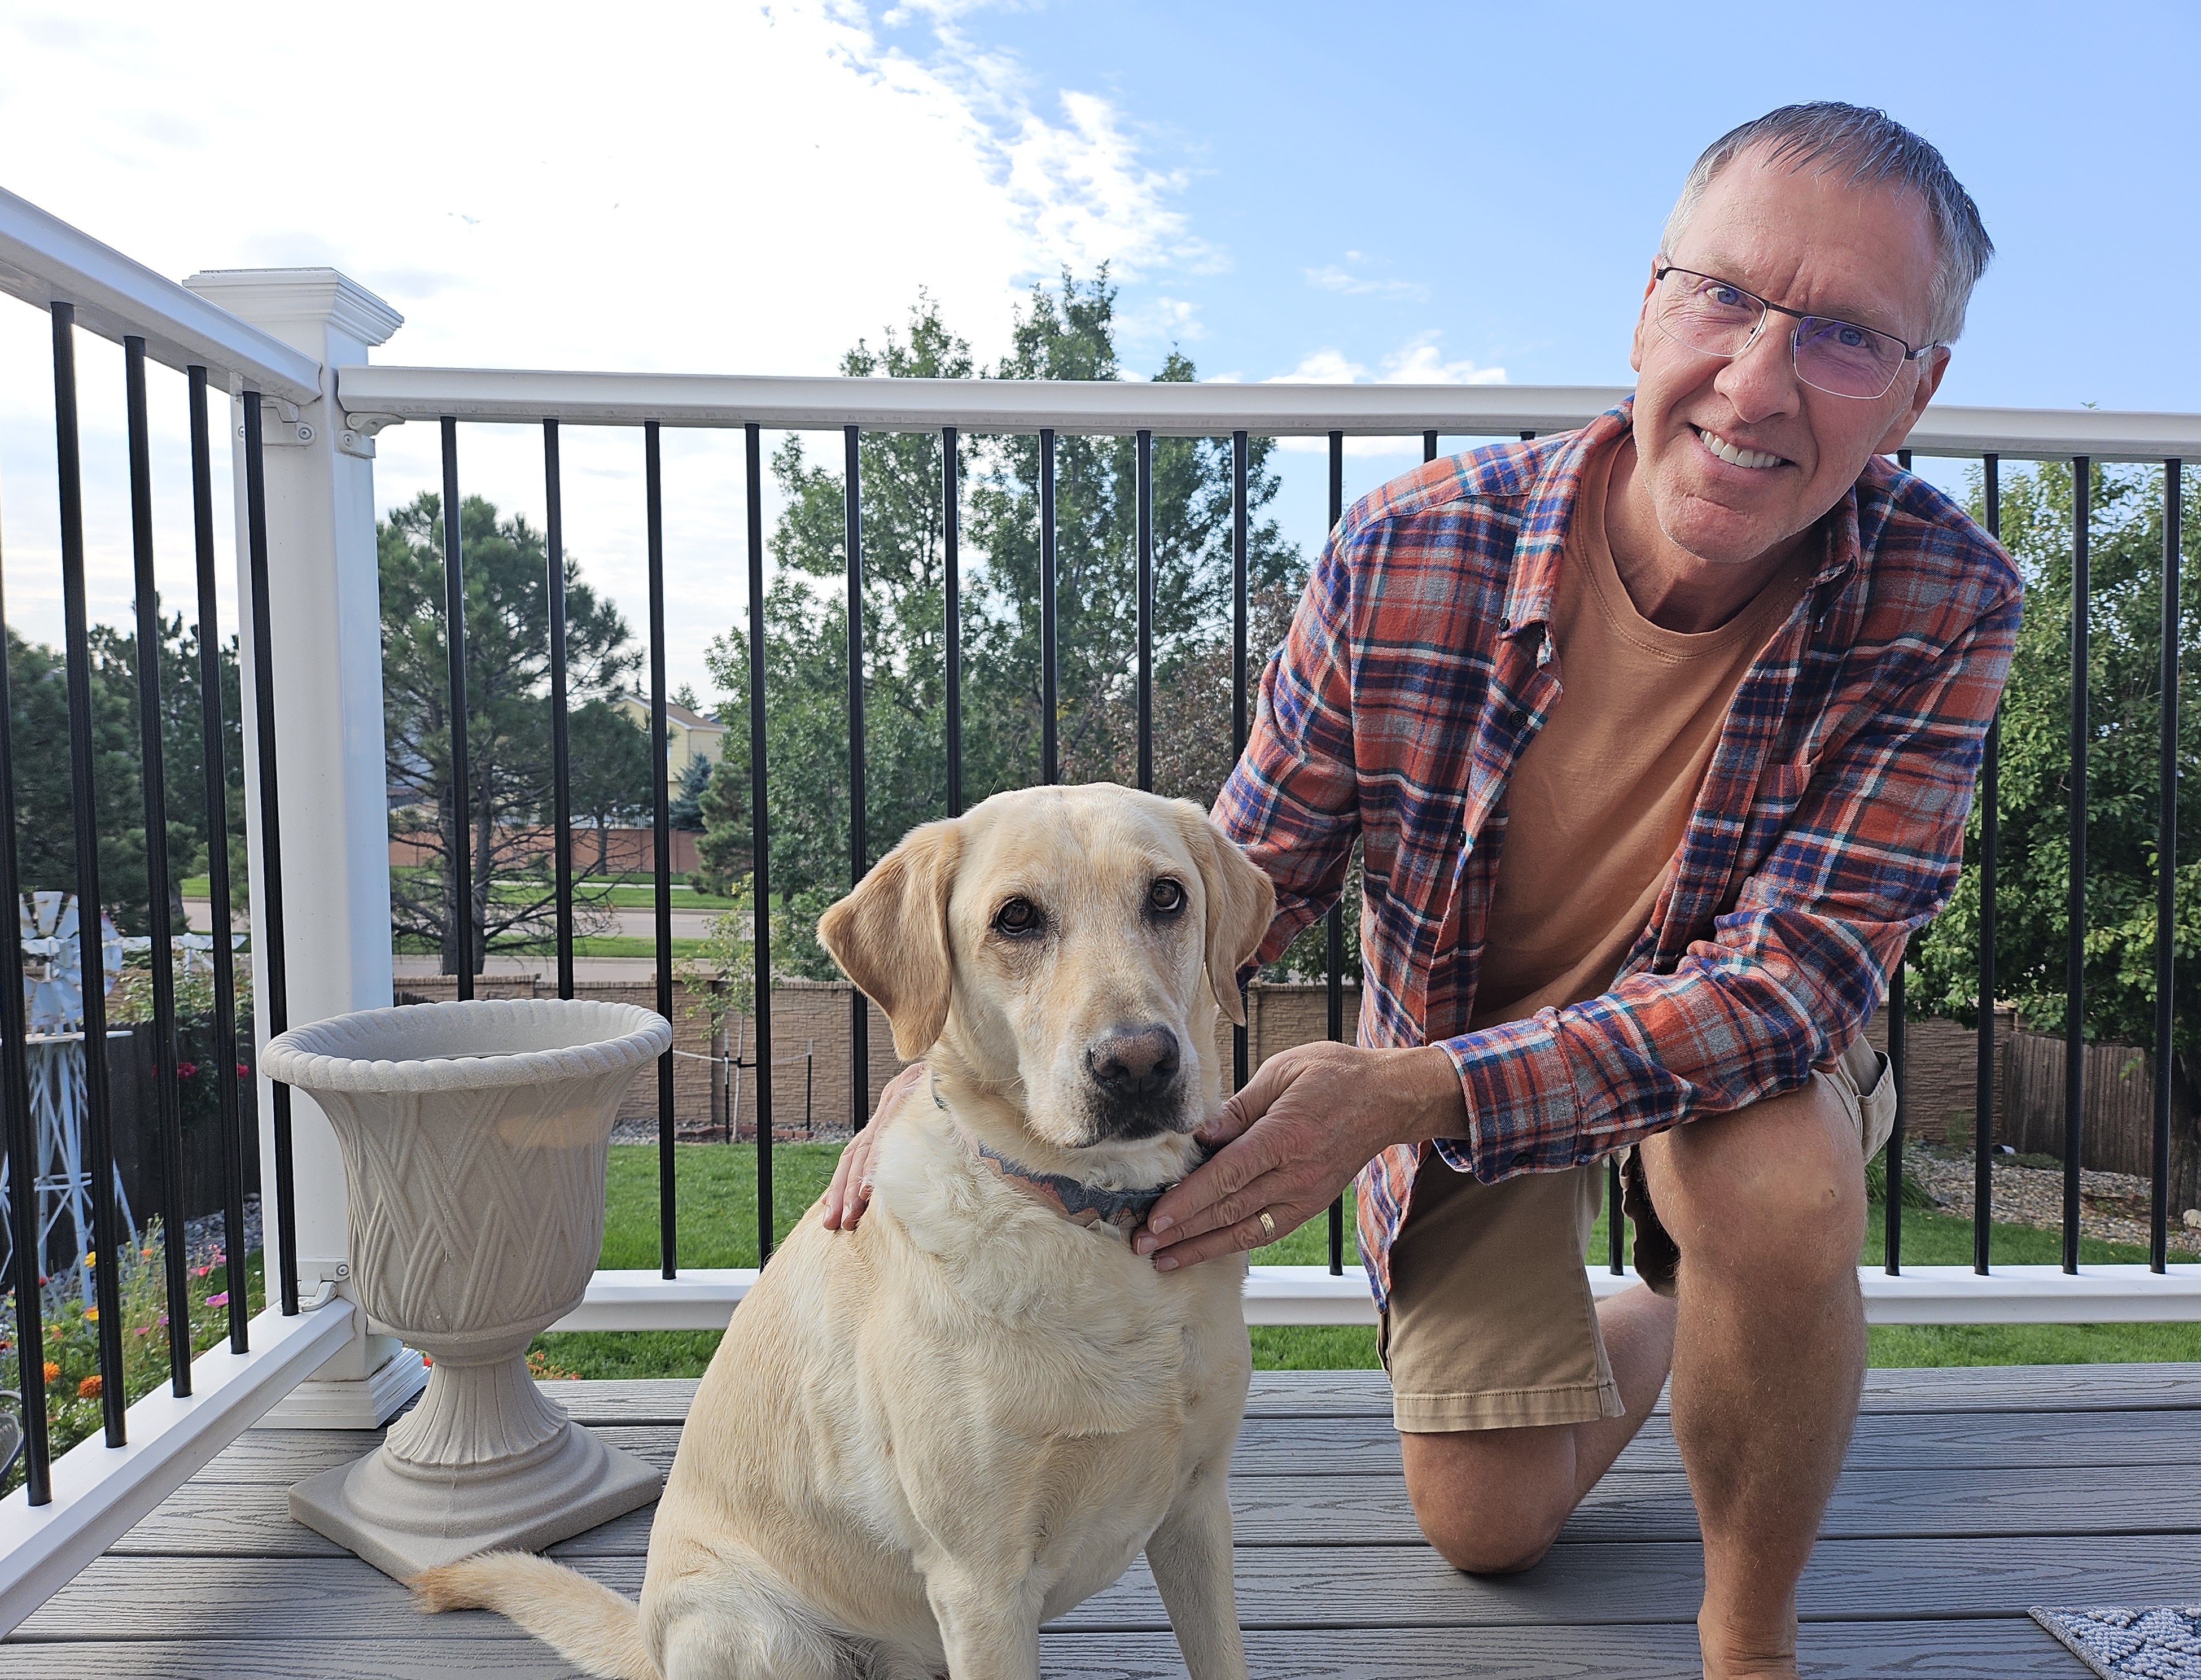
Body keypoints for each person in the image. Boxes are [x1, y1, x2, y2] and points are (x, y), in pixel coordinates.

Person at [825, 102, 2019, 1679]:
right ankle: (1688, 1318)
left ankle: (1750, 1639)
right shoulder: (1408, 550)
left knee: (1774, 1184)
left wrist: (1403, 1096)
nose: (1757, 382)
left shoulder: (1946, 600)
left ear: (1920, 390)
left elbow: (1789, 989)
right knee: (1486, 1524)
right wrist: (946, 1064)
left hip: (1698, 1069)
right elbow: (1244, 877)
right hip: (1463, 1063)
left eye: (1849, 335)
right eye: (1725, 297)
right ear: (1649, 304)